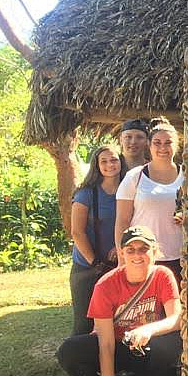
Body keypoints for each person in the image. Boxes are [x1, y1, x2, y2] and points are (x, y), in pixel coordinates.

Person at [56, 226, 182, 376]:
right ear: (121, 253)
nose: (137, 255)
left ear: (155, 251)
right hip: (114, 346)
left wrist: (149, 329)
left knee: (173, 340)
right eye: (130, 250)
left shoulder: (163, 275)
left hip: (143, 348)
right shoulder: (105, 285)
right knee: (69, 350)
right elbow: (105, 343)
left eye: (143, 249)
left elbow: (177, 318)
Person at [115, 117, 184, 280]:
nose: (163, 148)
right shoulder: (135, 176)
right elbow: (122, 221)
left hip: (180, 256)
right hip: (142, 257)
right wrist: (122, 258)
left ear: (176, 145)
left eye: (168, 143)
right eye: (157, 143)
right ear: (149, 145)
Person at [69, 144, 126, 337]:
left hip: (117, 264)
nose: (110, 165)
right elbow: (77, 232)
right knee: (85, 323)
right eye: (104, 161)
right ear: (97, 165)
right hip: (88, 267)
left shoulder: (129, 189)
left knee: (117, 319)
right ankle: (80, 364)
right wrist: (95, 263)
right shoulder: (86, 193)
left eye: (114, 160)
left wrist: (120, 248)